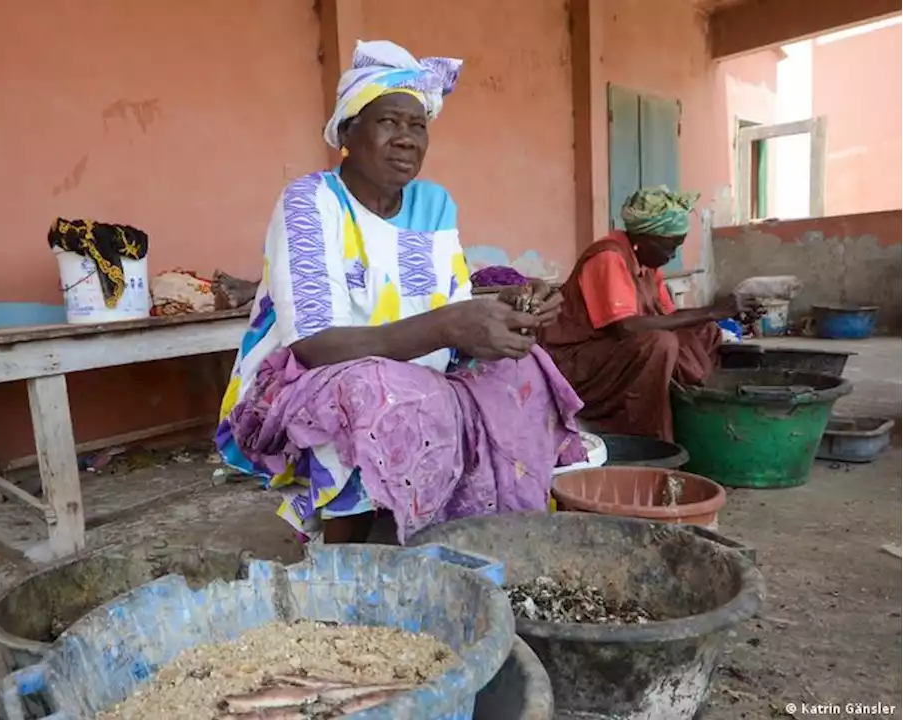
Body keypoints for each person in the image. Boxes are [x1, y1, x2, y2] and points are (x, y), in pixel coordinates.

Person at [214, 40, 587, 545]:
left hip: (416, 370)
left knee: (523, 371)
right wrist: (450, 325)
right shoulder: (312, 201)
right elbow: (315, 344)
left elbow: (448, 303)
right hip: (304, 379)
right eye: (389, 122)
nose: (407, 139)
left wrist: (511, 305)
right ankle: (345, 556)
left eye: (418, 126)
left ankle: (475, 532)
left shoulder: (433, 204)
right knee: (375, 391)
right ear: (348, 131)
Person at [542, 186, 757, 441]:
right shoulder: (608, 257)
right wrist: (711, 310)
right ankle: (645, 433)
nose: (673, 255)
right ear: (644, 239)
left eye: (678, 246)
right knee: (659, 343)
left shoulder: (646, 263)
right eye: (669, 247)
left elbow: (670, 316)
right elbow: (626, 327)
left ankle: (694, 412)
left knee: (704, 332)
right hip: (575, 361)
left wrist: (720, 316)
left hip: (611, 351)